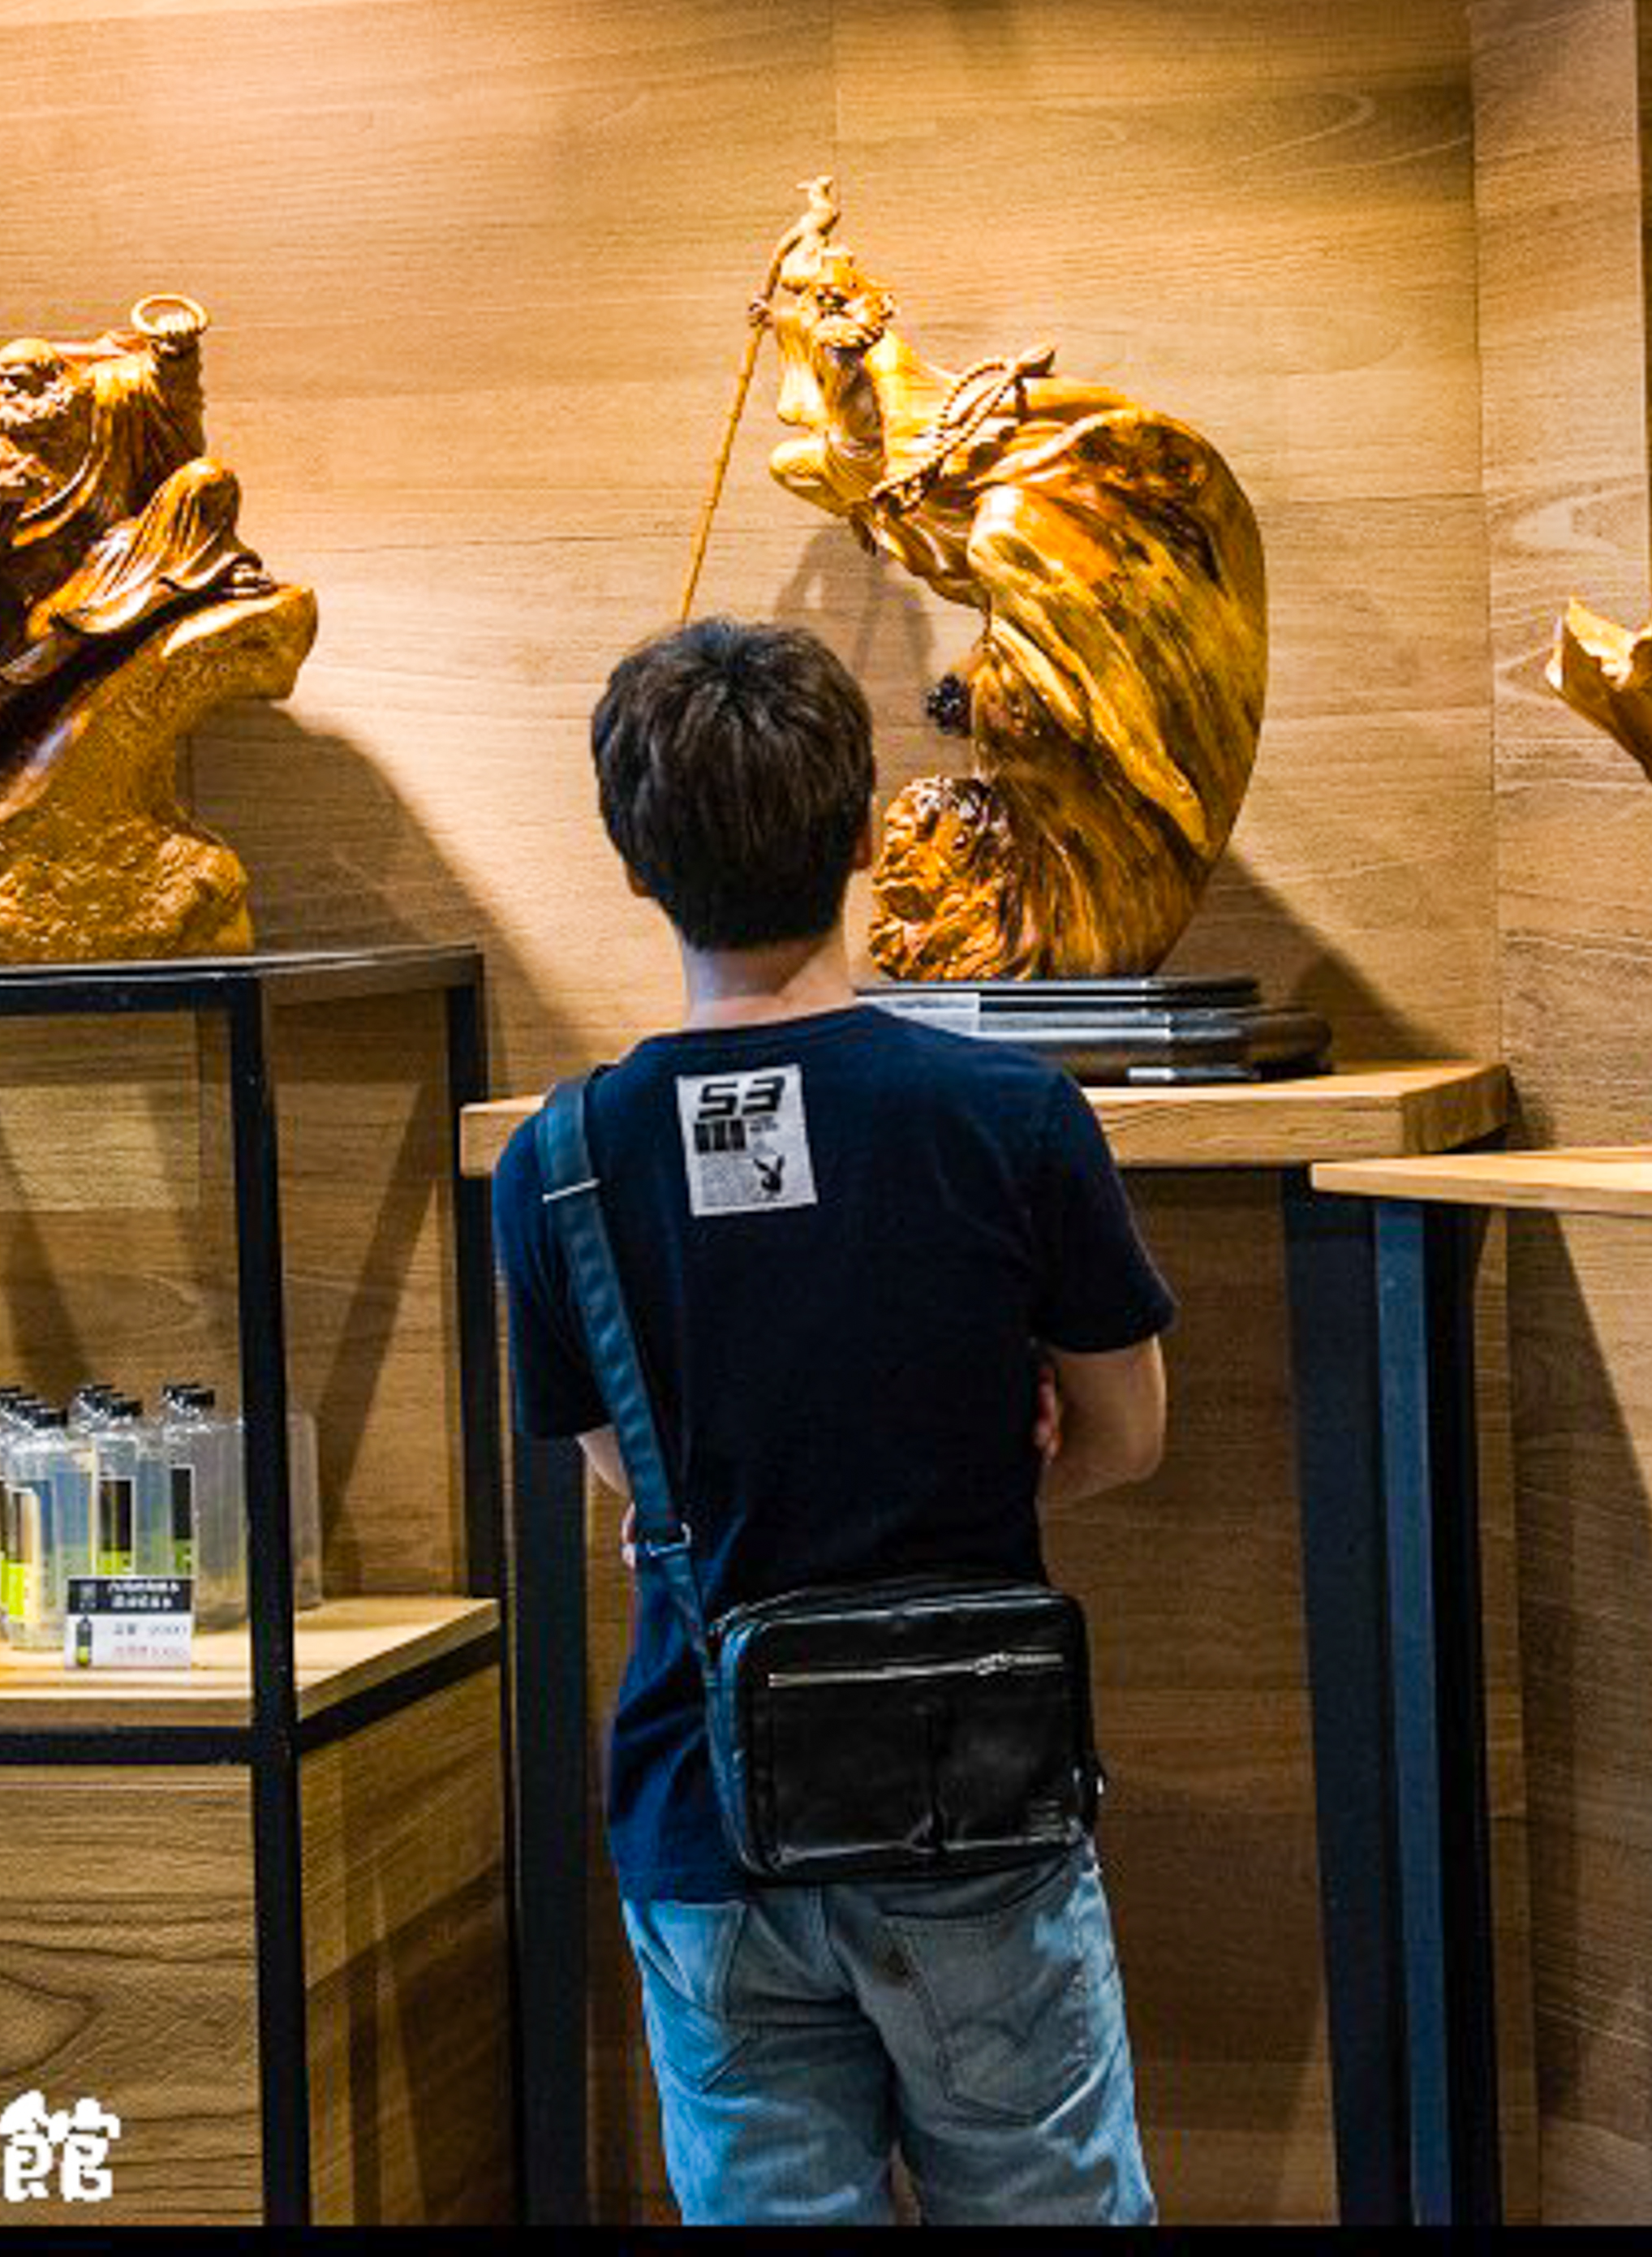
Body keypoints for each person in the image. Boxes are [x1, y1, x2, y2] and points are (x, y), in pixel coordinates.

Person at [492, 616, 1174, 2225]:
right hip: (975, 1797)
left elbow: (631, 1483)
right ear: (869, 835)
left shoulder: (558, 1163)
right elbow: (1129, 1432)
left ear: (633, 862)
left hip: (701, 1819)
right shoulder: (1009, 1114)